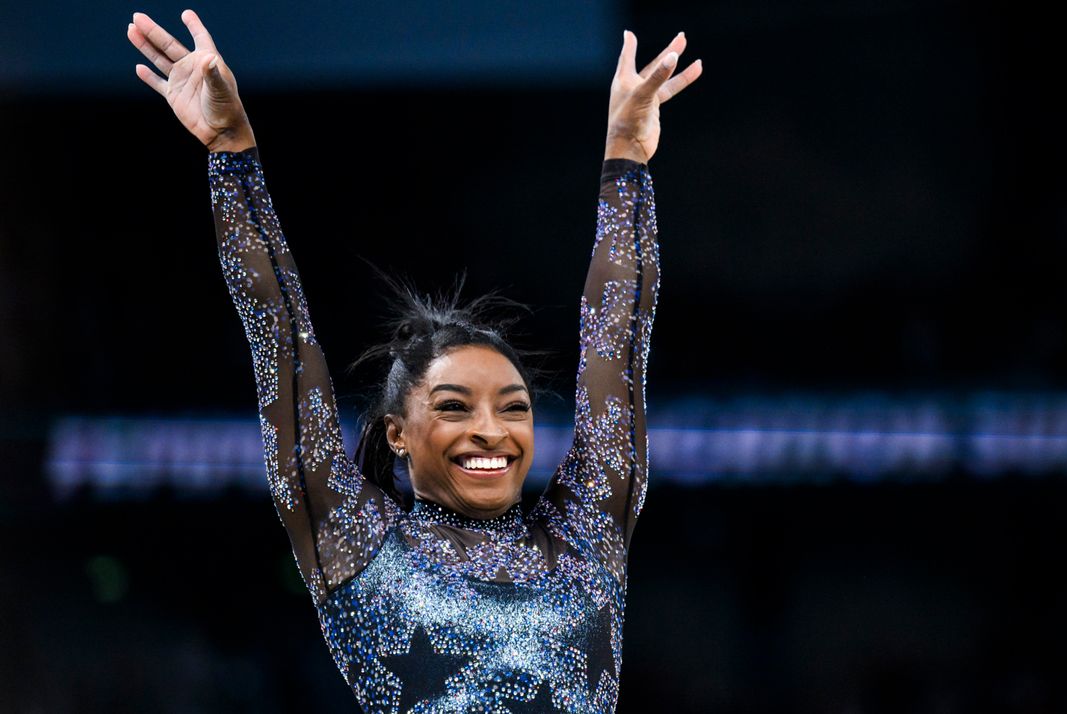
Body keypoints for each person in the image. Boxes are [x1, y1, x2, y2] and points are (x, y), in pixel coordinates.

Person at [126, 9, 701, 713]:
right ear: (397, 431)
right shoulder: (358, 543)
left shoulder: (586, 539)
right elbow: (278, 332)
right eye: (455, 407)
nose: (491, 429)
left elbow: (620, 335)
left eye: (514, 407)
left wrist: (627, 163)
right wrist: (230, 149)